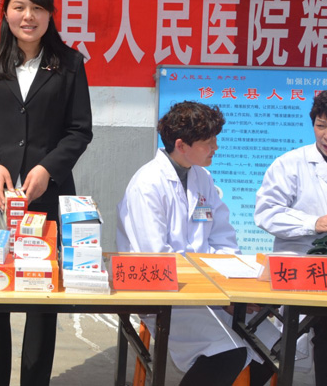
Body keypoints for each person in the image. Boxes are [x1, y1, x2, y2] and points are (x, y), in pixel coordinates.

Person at [0, 0, 93, 386]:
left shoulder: (70, 64)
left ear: (50, 15)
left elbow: (79, 130)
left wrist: (47, 168)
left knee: (42, 298)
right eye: (19, 7)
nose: (28, 16)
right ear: (6, 13)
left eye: (38, 8)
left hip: (46, 196)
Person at [117, 101, 276, 386]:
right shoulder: (148, 184)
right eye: (208, 141)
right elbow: (156, 257)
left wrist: (231, 290)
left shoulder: (202, 177)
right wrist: (218, 295)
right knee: (227, 354)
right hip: (165, 295)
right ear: (181, 145)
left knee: (275, 348)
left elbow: (223, 237)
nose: (215, 147)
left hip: (208, 290)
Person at [254, 87, 327, 386]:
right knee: (317, 329)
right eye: (321, 125)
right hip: (303, 265)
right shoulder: (290, 164)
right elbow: (266, 213)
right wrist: (313, 222)